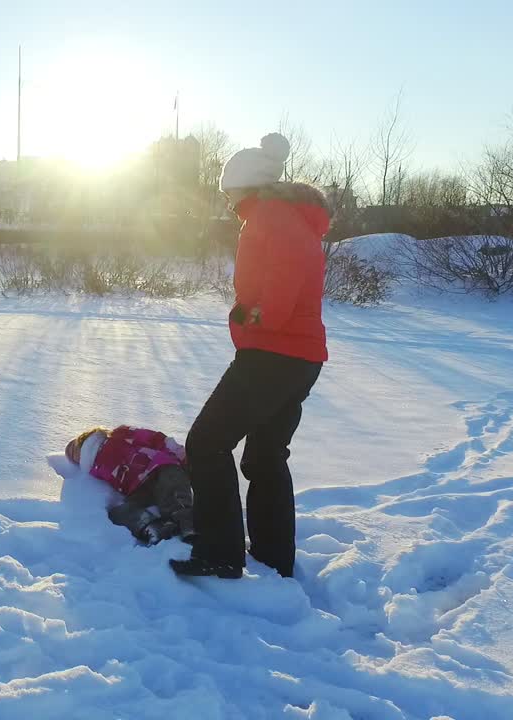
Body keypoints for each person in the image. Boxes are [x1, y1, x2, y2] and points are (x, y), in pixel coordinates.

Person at [169, 133, 330, 580]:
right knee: (264, 457)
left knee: (206, 442)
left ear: (246, 185)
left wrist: (250, 315)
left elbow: (278, 293)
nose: (225, 197)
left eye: (227, 189)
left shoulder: (271, 216)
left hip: (272, 355)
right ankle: (274, 557)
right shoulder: (290, 216)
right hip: (299, 358)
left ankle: (220, 553)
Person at [66, 426, 196, 544]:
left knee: (172, 488)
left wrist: (181, 455)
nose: (75, 454)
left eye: (73, 447)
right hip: (138, 489)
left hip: (159, 467)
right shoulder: (94, 470)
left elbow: (155, 438)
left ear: (84, 438)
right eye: (71, 457)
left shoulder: (118, 434)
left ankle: (187, 525)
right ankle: (153, 527)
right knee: (119, 513)